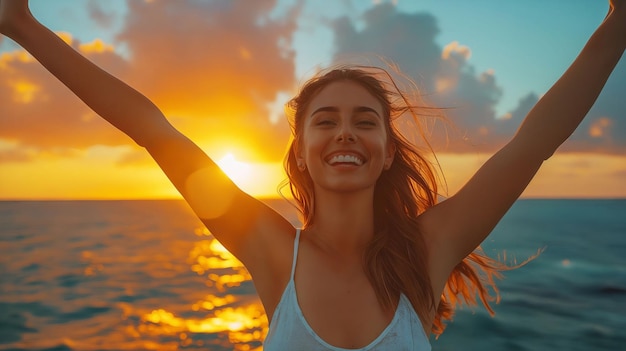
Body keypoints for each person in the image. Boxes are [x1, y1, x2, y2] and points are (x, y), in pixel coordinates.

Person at [1, 1, 624, 349]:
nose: (345, 133)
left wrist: (614, 27)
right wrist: (24, 25)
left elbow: (533, 144)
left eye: (365, 122)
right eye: (325, 121)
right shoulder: (271, 249)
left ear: (386, 152)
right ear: (300, 153)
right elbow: (153, 128)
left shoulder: (429, 251)